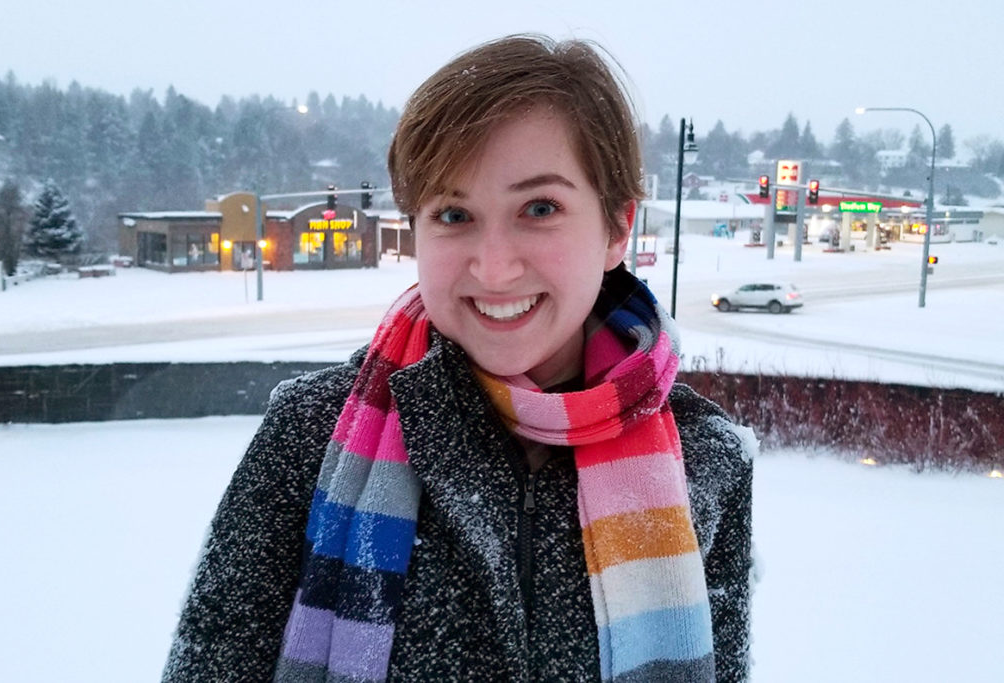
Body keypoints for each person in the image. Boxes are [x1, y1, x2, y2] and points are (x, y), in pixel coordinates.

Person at [163, 34, 753, 683]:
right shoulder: (309, 433)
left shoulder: (706, 456)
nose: (493, 266)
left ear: (617, 227)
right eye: (453, 212)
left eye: (539, 208)